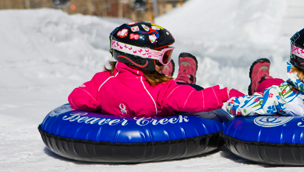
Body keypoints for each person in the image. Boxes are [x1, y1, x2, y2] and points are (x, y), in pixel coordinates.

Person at [68, 22, 244, 117]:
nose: (166, 62)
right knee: (183, 87)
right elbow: (193, 100)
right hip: (174, 96)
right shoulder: (161, 91)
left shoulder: (101, 82)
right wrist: (226, 94)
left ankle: (164, 75)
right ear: (141, 59)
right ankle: (185, 78)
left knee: (169, 81)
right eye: (164, 57)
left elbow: (76, 98)